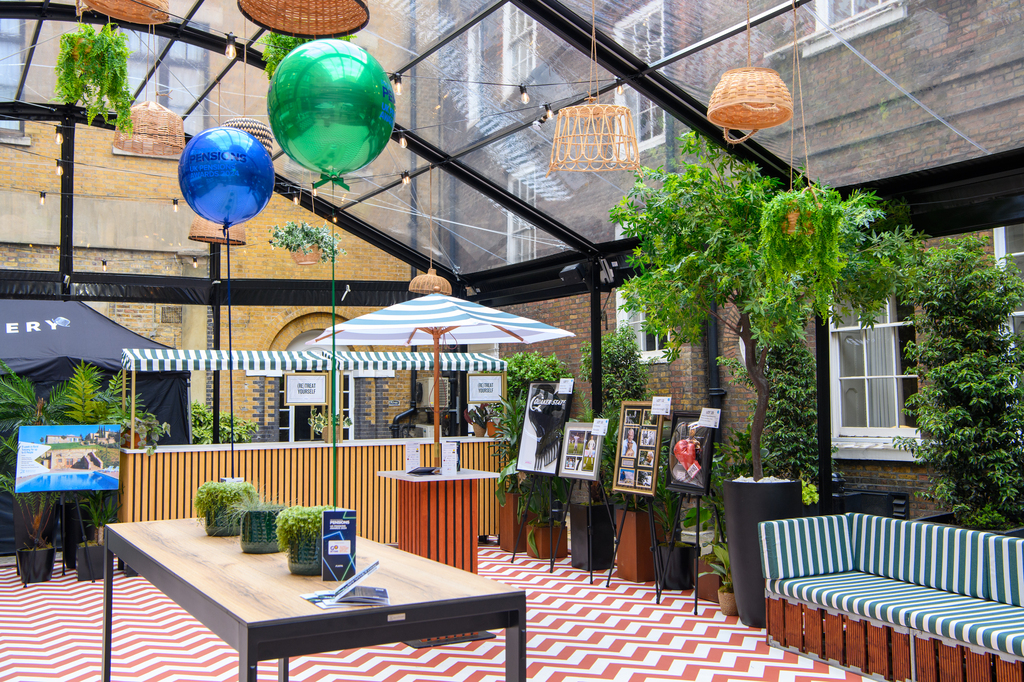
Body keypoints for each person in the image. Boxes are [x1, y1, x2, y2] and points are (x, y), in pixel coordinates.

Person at [671, 423, 703, 487]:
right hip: (683, 469)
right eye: (691, 430)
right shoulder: (684, 442)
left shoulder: (696, 442)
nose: (691, 432)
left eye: (693, 430)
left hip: (695, 468)